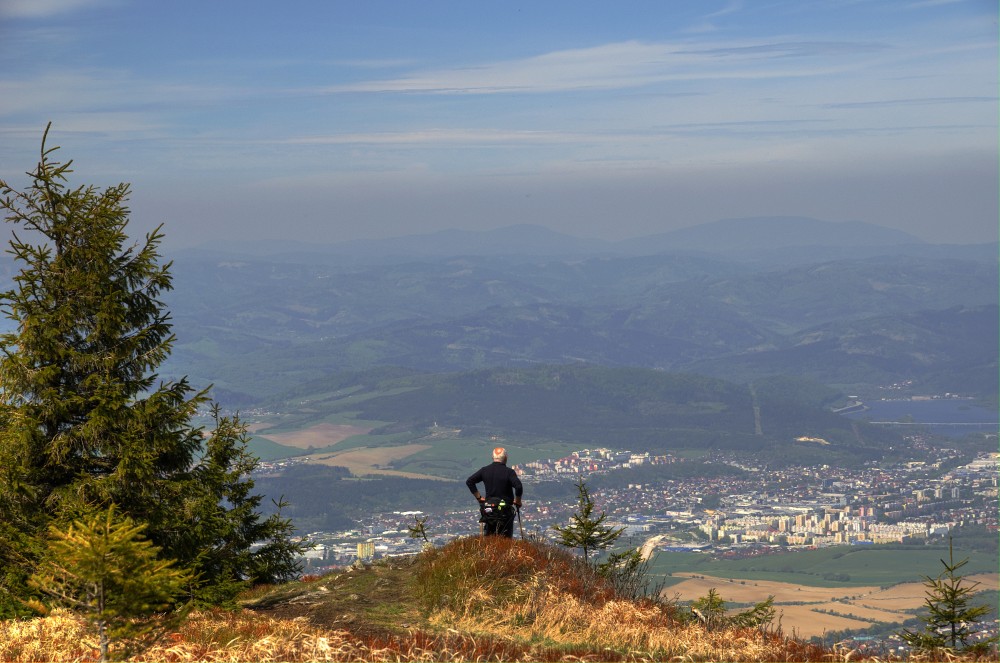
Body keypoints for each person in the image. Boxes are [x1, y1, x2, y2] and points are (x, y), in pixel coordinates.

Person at [466, 446, 523, 537]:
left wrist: (479, 498)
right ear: (505, 458)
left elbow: (470, 481)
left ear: (493, 457)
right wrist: (518, 501)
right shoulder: (509, 472)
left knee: (489, 536)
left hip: (489, 510)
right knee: (505, 538)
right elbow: (518, 487)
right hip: (505, 511)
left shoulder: (485, 470)